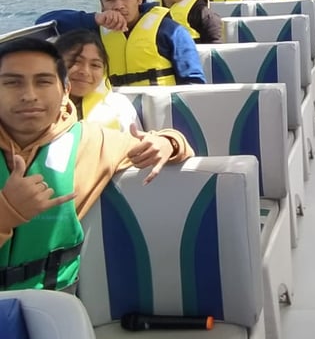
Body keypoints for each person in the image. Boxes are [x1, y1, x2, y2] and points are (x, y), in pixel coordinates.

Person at [0, 37, 194, 292]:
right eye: (12, 83)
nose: (29, 95)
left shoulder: (94, 141)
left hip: (54, 301)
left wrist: (169, 142)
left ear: (65, 90)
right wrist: (7, 213)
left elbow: (175, 146)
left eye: (43, 81)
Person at [37, 0, 205, 86]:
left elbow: (194, 82)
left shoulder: (171, 31)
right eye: (110, 0)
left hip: (162, 114)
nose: (119, 5)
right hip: (115, 116)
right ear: (102, 4)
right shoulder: (95, 32)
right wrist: (95, 18)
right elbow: (45, 21)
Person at [53, 30, 141, 132]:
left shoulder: (119, 106)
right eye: (76, 61)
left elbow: (136, 144)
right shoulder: (36, 105)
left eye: (95, 65)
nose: (85, 72)